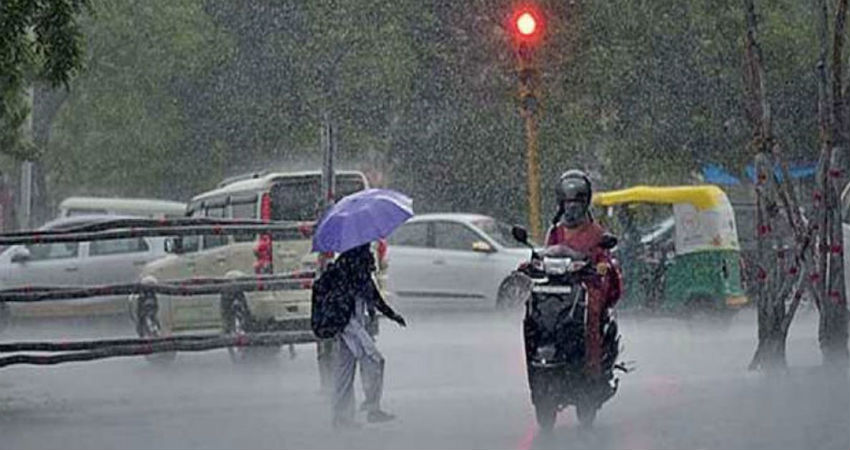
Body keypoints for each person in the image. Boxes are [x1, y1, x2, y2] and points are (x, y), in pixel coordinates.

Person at [545, 170, 623, 377]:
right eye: (567, 202)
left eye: (577, 202)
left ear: (585, 203)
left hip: (586, 287)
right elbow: (546, 254)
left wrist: (600, 267)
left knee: (591, 311)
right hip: (559, 288)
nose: (571, 207)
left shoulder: (596, 232)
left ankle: (592, 369)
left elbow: (603, 259)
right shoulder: (555, 231)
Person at [330, 244, 406, 429]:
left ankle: (341, 416)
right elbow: (370, 293)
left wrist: (387, 313)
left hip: (345, 322)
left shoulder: (347, 261)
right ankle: (371, 408)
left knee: (345, 370)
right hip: (349, 324)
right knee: (374, 359)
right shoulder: (354, 262)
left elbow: (370, 295)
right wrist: (391, 314)